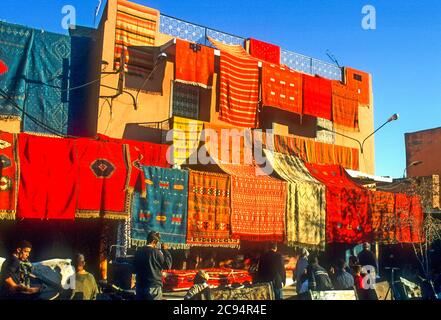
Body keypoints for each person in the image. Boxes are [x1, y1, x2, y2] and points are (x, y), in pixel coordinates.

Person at [133, 231, 172, 300]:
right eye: (157, 243)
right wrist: (165, 251)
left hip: (140, 286)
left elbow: (134, 269)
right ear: (154, 241)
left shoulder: (138, 252)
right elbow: (167, 265)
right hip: (154, 287)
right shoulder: (157, 252)